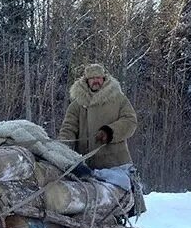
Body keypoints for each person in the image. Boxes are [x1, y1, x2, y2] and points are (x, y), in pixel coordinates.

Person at [59, 63, 145, 216]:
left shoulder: (118, 99)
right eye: (92, 78)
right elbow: (68, 129)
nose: (95, 81)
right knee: (88, 207)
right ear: (86, 81)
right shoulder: (77, 104)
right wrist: (62, 152)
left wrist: (110, 131)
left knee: (118, 206)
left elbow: (131, 121)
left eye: (98, 78)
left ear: (104, 79)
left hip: (114, 163)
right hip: (87, 165)